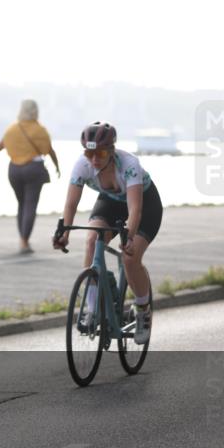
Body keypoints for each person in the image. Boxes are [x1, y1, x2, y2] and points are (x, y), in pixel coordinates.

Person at [52, 122, 161, 345]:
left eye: (100, 153)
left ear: (111, 151)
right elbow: (71, 202)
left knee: (130, 258)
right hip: (110, 203)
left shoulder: (129, 165)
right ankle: (93, 308)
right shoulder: (82, 165)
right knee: (92, 240)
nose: (94, 159)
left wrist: (129, 237)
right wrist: (64, 232)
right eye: (89, 153)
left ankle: (143, 311)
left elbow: (135, 209)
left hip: (145, 205)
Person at [0, 99, 61, 254]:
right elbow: (49, 150)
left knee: (21, 204)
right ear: (35, 111)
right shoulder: (40, 130)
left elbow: (1, 145)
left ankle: (23, 239)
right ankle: (24, 241)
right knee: (30, 205)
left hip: (14, 170)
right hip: (33, 169)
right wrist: (56, 166)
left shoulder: (12, 129)